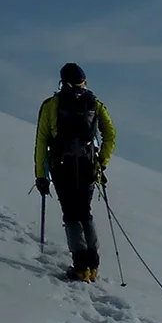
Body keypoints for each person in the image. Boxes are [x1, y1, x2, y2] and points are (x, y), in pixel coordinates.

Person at [34, 62, 117, 281]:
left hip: (62, 167)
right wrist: (102, 161)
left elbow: (42, 141)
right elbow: (110, 135)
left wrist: (41, 176)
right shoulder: (95, 104)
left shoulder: (51, 105)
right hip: (89, 167)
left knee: (71, 215)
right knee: (84, 212)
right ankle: (93, 265)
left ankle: (81, 267)